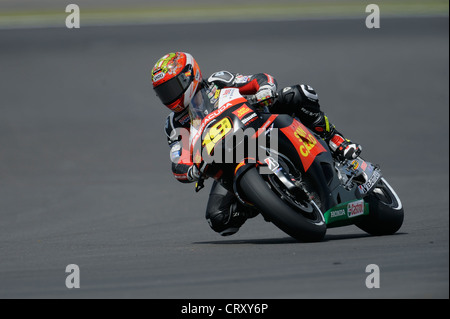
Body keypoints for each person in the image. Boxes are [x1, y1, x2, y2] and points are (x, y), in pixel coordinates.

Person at [152, 52, 362, 236]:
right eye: (163, 92)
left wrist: (264, 88)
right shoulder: (173, 124)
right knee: (218, 218)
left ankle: (336, 139)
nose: (169, 96)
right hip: (225, 160)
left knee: (298, 93)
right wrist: (189, 171)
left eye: (172, 87)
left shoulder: (218, 81)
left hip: (257, 126)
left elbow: (257, 79)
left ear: (190, 76)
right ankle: (268, 199)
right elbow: (178, 156)